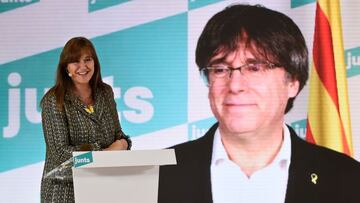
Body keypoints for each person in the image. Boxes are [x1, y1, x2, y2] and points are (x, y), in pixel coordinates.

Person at [158, 4, 360, 203]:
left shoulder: (347, 177)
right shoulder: (153, 174)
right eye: (220, 69)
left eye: (255, 68)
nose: (235, 85)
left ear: (292, 82)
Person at [40, 36, 132, 203]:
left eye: (87, 60)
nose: (83, 67)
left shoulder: (105, 93)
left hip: (102, 188)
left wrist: (124, 143)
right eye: (75, 61)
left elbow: (118, 135)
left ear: (94, 63)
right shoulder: (54, 100)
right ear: (66, 67)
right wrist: (103, 153)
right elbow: (61, 154)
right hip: (65, 191)